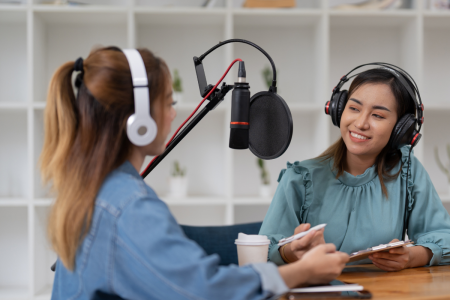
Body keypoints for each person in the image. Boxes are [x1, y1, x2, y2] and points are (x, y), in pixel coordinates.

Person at [42, 46, 349, 300]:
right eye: (167, 102)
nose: (173, 113)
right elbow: (203, 290)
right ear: (139, 121)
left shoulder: (95, 189)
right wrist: (302, 272)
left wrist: (283, 255)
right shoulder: (127, 206)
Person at [260, 65, 450, 272]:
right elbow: (262, 251)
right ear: (338, 110)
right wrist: (290, 252)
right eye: (354, 108)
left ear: (401, 130)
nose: (360, 123)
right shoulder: (299, 178)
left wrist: (413, 256)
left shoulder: (407, 172)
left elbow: (444, 236)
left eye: (377, 115)